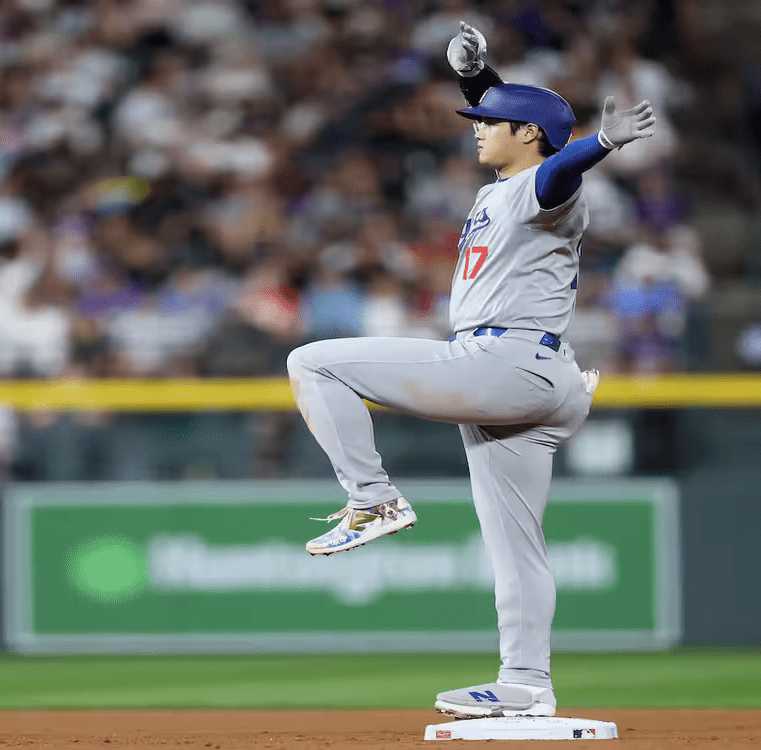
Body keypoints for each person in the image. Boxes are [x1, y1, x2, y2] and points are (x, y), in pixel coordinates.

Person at [284, 23, 654, 720]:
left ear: (530, 134)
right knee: (516, 545)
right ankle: (526, 682)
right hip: (538, 380)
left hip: (503, 362)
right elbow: (520, 120)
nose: (477, 129)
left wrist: (600, 145)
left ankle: (373, 498)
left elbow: (555, 168)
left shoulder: (545, 186)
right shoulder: (505, 181)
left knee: (313, 363)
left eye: (491, 124)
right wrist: (476, 74)